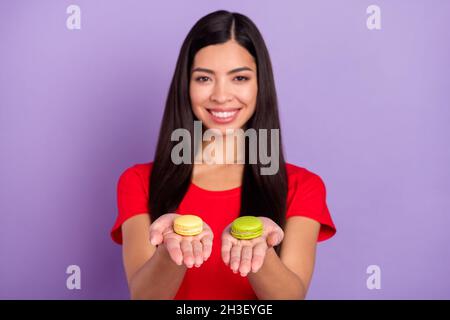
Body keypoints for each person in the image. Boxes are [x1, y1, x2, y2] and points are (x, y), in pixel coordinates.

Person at [110, 10, 336, 300]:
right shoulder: (138, 181)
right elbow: (143, 297)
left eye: (239, 78)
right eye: (204, 78)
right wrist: (170, 251)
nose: (221, 95)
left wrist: (260, 251)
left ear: (260, 84)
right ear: (186, 85)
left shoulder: (302, 186)